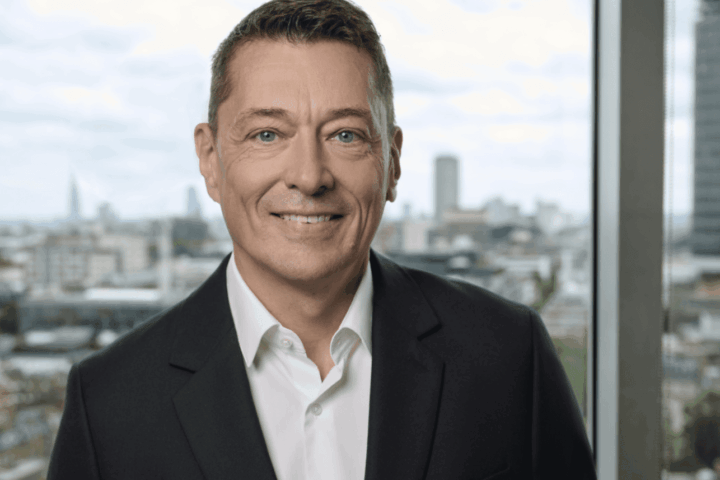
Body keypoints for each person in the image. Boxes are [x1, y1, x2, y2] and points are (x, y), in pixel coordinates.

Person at [47, 0, 596, 479]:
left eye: (345, 135)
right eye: (267, 134)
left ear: (392, 162)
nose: (309, 176)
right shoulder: (108, 404)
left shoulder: (508, 354)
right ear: (211, 161)